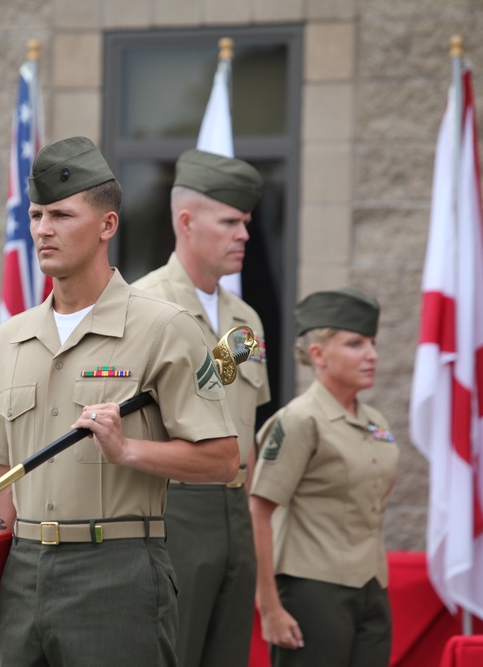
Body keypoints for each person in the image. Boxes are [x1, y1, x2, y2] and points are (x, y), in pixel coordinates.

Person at [0, 136, 240, 666]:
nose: (43, 229)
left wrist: (128, 450)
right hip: (23, 570)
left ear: (107, 225)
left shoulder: (164, 328)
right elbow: (0, 475)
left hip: (118, 572)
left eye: (61, 215)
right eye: (38, 214)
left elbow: (222, 459)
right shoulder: (9, 340)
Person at [133, 148, 270, 667]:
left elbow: (247, 427)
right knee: (173, 652)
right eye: (231, 221)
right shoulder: (143, 309)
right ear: (186, 222)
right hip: (175, 510)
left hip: (235, 511)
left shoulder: (246, 321)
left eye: (247, 223)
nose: (244, 235)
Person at [249, 287, 399, 667]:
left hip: (371, 588)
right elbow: (257, 511)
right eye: (356, 344)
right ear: (318, 354)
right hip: (312, 591)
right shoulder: (300, 420)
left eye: (373, 343)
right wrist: (269, 607)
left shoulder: (375, 422)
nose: (372, 355)